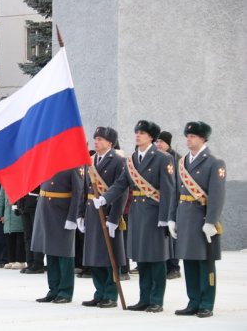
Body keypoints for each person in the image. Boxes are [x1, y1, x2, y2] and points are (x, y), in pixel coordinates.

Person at [93, 120, 175, 313]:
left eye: (142, 133)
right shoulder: (132, 159)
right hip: (138, 214)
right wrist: (105, 199)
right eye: (137, 132)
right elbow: (121, 184)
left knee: (156, 259)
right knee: (142, 258)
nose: (138, 135)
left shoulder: (163, 158)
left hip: (155, 214)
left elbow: (168, 190)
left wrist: (166, 217)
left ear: (151, 137)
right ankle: (144, 298)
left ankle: (156, 300)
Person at [168, 122, 226, 318]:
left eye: (192, 136)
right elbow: (175, 192)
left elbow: (217, 195)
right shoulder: (182, 162)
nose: (188, 139)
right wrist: (172, 219)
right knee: (189, 263)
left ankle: (206, 303)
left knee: (205, 264)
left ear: (203, 138)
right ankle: (193, 301)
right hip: (185, 218)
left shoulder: (214, 162)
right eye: (187, 135)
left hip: (202, 220)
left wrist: (211, 221)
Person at [79, 127, 127, 308]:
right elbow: (85, 190)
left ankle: (110, 294)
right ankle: (99, 292)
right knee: (94, 255)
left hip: (107, 213)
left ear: (109, 142)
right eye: (95, 138)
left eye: (100, 139)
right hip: (92, 212)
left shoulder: (118, 161)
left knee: (109, 256)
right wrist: (80, 214)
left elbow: (121, 191)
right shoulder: (90, 160)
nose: (96, 142)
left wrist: (114, 218)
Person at [32, 168, 82, 304]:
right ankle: (53, 290)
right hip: (46, 209)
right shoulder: (48, 163)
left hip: (62, 212)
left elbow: (78, 192)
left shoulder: (73, 165)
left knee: (64, 253)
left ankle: (65, 292)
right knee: (50, 252)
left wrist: (73, 217)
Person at [156, 131, 182, 280]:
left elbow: (176, 184)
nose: (159, 144)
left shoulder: (176, 158)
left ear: (168, 143)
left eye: (162, 142)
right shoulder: (157, 157)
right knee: (162, 236)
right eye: (157, 141)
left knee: (172, 236)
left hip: (174, 201)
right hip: (159, 201)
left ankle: (174, 267)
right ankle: (164, 265)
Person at [16, 186, 45, 274]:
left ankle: (38, 263)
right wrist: (17, 204)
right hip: (24, 204)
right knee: (28, 236)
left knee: (37, 235)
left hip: (35, 204)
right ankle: (30, 262)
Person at [0, 188, 26, 270]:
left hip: (18, 210)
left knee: (19, 236)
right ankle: (11, 260)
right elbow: (1, 198)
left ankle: (21, 260)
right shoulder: (5, 180)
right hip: (7, 213)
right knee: (9, 238)